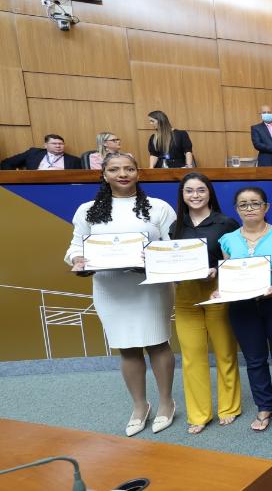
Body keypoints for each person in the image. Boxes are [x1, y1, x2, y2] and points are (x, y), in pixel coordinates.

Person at [65, 153, 178, 436]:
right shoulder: (87, 210)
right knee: (127, 348)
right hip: (110, 288)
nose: (122, 174)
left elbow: (174, 247)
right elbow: (75, 247)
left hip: (150, 287)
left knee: (158, 343)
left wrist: (153, 261)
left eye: (129, 169)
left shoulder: (158, 207)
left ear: (139, 173)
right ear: (103, 174)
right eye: (114, 169)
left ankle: (166, 402)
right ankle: (140, 406)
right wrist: (78, 262)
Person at [219, 187, 272, 432]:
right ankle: (265, 406)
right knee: (254, 360)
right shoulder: (228, 240)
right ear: (236, 210)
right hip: (243, 306)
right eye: (243, 205)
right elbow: (228, 275)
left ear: (266, 207)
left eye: (255, 203)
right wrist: (220, 289)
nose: (249, 209)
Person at [170, 173, 242, 435]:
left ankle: (229, 408)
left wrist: (217, 271)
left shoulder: (226, 223)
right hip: (186, 296)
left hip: (217, 294)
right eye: (189, 191)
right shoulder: (176, 226)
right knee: (192, 357)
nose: (195, 195)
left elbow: (237, 259)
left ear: (210, 192)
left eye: (201, 190)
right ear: (183, 195)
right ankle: (199, 414)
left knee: (225, 353)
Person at [2, 133, 82, 170]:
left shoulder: (74, 160)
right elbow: (6, 163)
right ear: (45, 145)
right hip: (34, 185)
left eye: (61, 144)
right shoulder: (33, 153)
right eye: (54, 143)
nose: (58, 146)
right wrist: (17, 177)